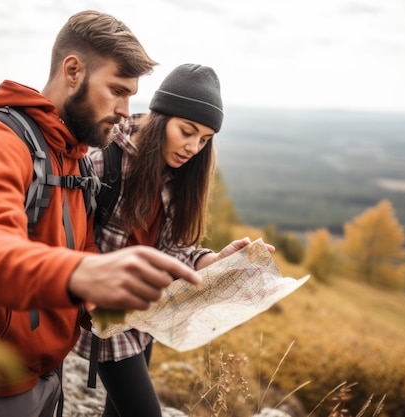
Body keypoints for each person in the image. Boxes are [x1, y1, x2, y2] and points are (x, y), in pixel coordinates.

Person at [0, 11, 202, 417]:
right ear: (73, 71)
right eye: (116, 90)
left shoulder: (69, 155)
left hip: (47, 367)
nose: (127, 111)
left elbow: (82, 244)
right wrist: (81, 275)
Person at [74, 63, 272, 417]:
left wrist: (208, 262)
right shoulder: (103, 161)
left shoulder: (176, 173)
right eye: (187, 131)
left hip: (144, 315)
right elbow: (68, 242)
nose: (194, 147)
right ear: (161, 117)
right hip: (105, 318)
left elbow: (170, 250)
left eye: (205, 139)